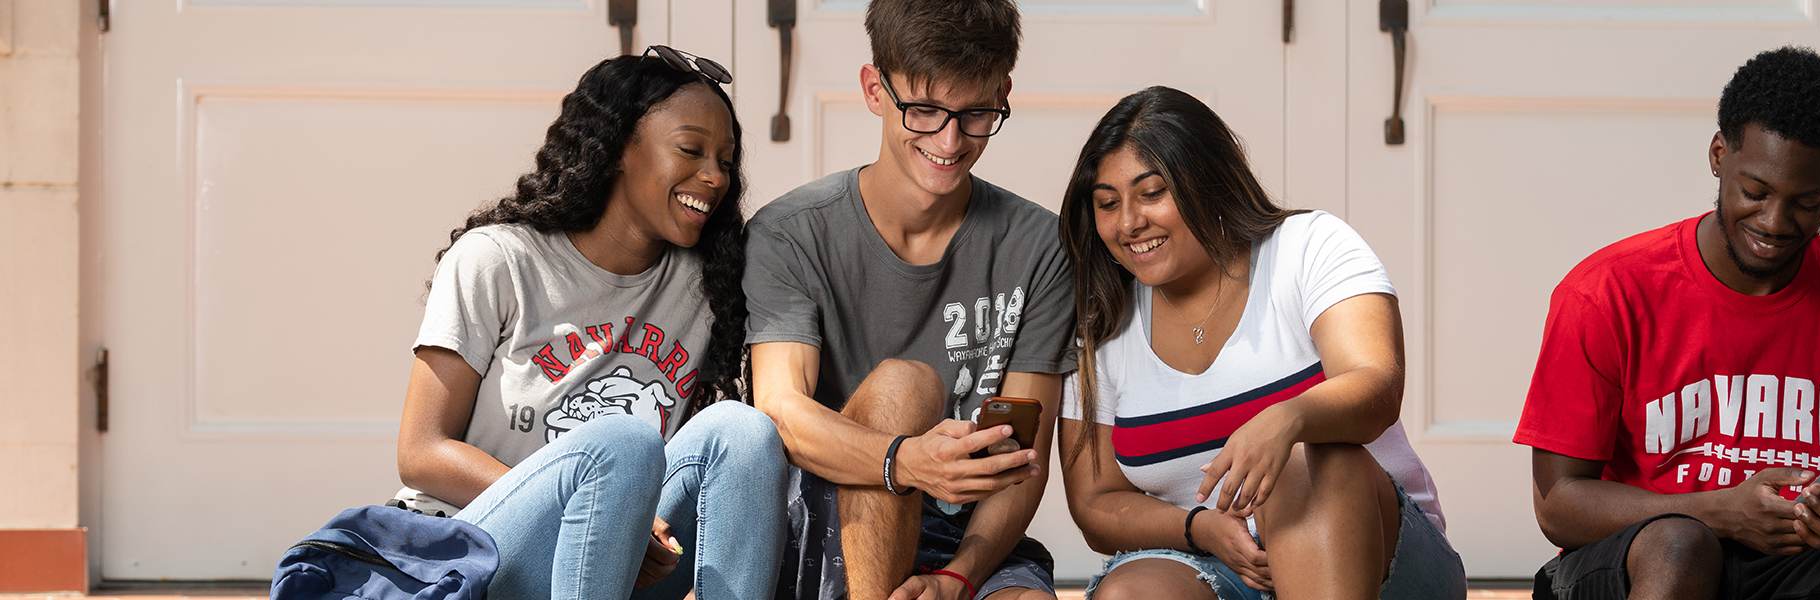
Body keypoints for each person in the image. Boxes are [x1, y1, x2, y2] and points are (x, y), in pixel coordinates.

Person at [394, 48, 787, 600]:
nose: (714, 176)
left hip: (624, 553)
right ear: (618, 148)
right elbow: (421, 451)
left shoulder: (711, 283)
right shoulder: (499, 259)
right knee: (621, 445)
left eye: (725, 159)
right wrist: (588, 494)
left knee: (743, 433)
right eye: (691, 150)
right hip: (480, 552)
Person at [1515, 46, 1820, 600]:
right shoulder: (1606, 293)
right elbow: (1557, 504)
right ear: (1719, 155)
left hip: (1799, 564)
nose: (1774, 222)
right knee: (1681, 545)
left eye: (1806, 202)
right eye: (1755, 191)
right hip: (1645, 560)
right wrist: (1718, 512)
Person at [1055, 86, 1465, 600]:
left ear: (1205, 180)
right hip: (1218, 564)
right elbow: (1096, 502)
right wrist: (1197, 528)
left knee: (1304, 464)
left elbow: (1377, 384)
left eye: (1153, 192)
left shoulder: (1307, 248)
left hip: (1384, 559)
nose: (1129, 222)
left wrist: (1286, 419)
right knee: (1130, 594)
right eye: (1107, 204)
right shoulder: (1102, 323)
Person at [742, 1, 1073, 599]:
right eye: (923, 111)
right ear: (875, 89)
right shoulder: (789, 232)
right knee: (902, 388)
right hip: (824, 530)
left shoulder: (1041, 246)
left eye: (976, 113)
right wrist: (905, 460)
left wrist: (956, 577)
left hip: (965, 544)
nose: (949, 141)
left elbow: (1024, 464)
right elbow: (781, 411)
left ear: (1003, 93)